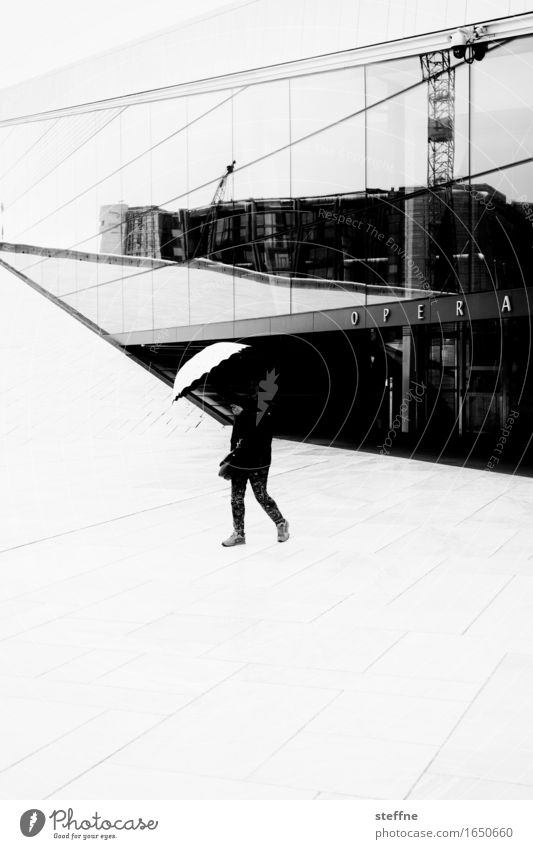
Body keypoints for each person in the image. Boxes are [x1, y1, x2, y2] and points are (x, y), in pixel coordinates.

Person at [221, 391, 289, 547]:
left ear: (244, 405)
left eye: (234, 407)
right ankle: (239, 534)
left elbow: (261, 440)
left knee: (261, 496)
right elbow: (234, 439)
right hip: (239, 462)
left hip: (258, 462)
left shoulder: (261, 416)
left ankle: (281, 523)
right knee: (236, 499)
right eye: (231, 407)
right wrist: (233, 456)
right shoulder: (240, 417)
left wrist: (243, 418)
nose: (233, 410)